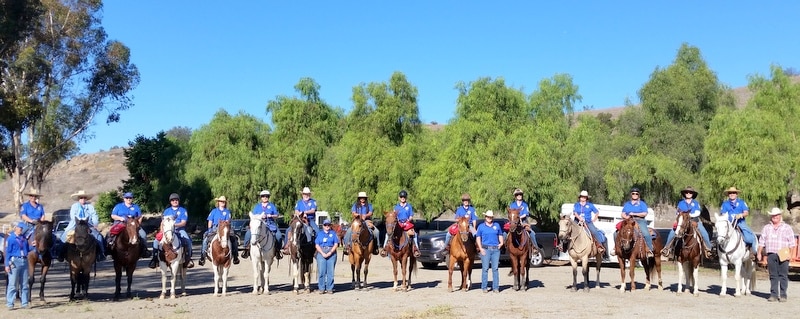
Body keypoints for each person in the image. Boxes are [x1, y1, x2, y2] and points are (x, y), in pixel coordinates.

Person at [661, 186, 713, 259]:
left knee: (704, 233)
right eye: (687, 192)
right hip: (682, 221)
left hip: (694, 221)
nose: (688, 193)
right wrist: (682, 216)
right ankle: (666, 248)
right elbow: (678, 212)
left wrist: (687, 215)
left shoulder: (695, 203)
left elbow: (697, 213)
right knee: (673, 232)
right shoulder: (681, 203)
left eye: (690, 192)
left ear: (693, 194)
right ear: (684, 194)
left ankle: (708, 249)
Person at [757, 207, 796, 302]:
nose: (775, 217)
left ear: (780, 216)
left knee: (783, 275)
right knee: (773, 275)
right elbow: (761, 241)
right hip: (771, 254)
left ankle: (783, 295)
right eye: (773, 215)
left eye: (777, 215)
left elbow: (792, 243)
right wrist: (759, 253)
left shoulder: (787, 228)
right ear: (771, 216)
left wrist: (790, 254)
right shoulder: (766, 228)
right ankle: (773, 294)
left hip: (783, 254)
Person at [58, 190, 106, 262]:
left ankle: (101, 254)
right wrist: (80, 220)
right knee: (63, 236)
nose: (83, 199)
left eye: (84, 198)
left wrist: (95, 224)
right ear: (78, 199)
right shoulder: (74, 206)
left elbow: (94, 215)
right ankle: (60, 254)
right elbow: (73, 216)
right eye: (81, 198)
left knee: (98, 236)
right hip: (75, 224)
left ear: (86, 199)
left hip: (88, 225)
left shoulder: (90, 207)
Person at [150, 193, 194, 269]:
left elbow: (183, 223)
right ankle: (154, 259)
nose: (175, 201)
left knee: (188, 241)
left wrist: (173, 225)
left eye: (176, 200)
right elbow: (162, 222)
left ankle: (188, 259)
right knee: (156, 242)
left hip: (179, 230)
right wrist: (161, 231)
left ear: (178, 201)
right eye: (173, 200)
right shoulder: (166, 211)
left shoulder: (183, 210)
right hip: (167, 231)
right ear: (170, 202)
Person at [199, 196, 240, 266]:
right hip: (215, 227)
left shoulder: (227, 212)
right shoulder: (214, 211)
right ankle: (203, 256)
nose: (222, 203)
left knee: (234, 238)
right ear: (218, 202)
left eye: (223, 202)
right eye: (221, 201)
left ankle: (235, 256)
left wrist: (224, 226)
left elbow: (227, 221)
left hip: (225, 228)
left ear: (225, 203)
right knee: (205, 238)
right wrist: (209, 229)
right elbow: (210, 221)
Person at [108, 192, 150, 259]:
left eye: (130, 198)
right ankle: (109, 251)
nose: (128, 199)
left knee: (143, 234)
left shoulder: (136, 207)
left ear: (132, 199)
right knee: (110, 234)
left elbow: (140, 217)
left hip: (133, 225)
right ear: (124, 199)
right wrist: (120, 218)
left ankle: (144, 250)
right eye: (127, 198)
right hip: (120, 223)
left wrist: (138, 224)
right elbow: (113, 215)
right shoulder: (118, 206)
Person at [243, 190, 283, 260]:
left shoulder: (272, 206)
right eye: (263, 196)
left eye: (266, 196)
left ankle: (277, 251)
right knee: (248, 234)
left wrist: (270, 215)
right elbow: (253, 216)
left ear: (268, 197)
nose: (265, 197)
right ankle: (246, 249)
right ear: (261, 198)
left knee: (279, 236)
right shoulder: (257, 207)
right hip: (259, 225)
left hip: (270, 224)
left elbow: (276, 215)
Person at [381, 190, 420, 257]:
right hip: (399, 224)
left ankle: (416, 249)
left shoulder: (409, 206)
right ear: (399, 198)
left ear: (406, 197)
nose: (403, 198)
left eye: (404, 196)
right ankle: (385, 249)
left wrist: (408, 220)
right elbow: (394, 216)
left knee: (414, 234)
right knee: (388, 234)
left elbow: (411, 215)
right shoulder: (396, 207)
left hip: (407, 223)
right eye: (401, 196)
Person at [720, 187, 757, 255]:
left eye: (734, 192)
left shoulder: (742, 202)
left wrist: (741, 215)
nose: (732, 194)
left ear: (736, 194)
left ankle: (753, 252)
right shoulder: (725, 204)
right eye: (730, 193)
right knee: (720, 237)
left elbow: (746, 212)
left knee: (749, 238)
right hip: (729, 224)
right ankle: (719, 252)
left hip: (740, 223)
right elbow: (723, 214)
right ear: (728, 194)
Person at [572, 190, 607, 258]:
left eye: (585, 197)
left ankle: (600, 246)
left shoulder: (590, 205)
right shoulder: (576, 205)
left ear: (587, 198)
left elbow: (597, 212)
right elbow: (575, 213)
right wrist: (579, 218)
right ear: (580, 197)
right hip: (577, 221)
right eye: (582, 197)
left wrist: (594, 219)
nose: (583, 198)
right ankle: (564, 246)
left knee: (595, 232)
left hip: (588, 222)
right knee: (569, 230)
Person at [621, 187, 654, 257]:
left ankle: (649, 250)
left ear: (638, 195)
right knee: (617, 232)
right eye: (633, 193)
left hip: (640, 220)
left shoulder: (642, 204)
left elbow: (645, 213)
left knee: (646, 234)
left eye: (636, 193)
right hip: (628, 220)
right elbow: (623, 213)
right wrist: (626, 217)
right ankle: (616, 248)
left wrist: (634, 214)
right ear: (631, 194)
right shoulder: (627, 204)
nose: (635, 195)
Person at [343, 191, 379, 255]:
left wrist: (366, 215)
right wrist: (358, 215)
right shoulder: (355, 205)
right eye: (361, 197)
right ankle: (347, 246)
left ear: (365, 198)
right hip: (357, 221)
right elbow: (353, 213)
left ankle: (375, 247)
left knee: (376, 232)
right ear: (359, 198)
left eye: (363, 197)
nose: (362, 199)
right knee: (348, 231)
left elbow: (370, 213)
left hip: (367, 221)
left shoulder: (369, 205)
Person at [476, 210, 503, 293]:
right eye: (488, 217)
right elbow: (478, 238)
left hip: (495, 249)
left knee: (495, 269)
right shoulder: (481, 226)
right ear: (485, 217)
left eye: (490, 217)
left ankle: (496, 287)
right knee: (485, 269)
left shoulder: (497, 225)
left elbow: (500, 235)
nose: (489, 218)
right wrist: (480, 248)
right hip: (485, 249)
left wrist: (501, 243)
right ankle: (484, 287)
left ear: (492, 217)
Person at [5, 222, 31, 309]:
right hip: (14, 261)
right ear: (15, 228)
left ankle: (25, 303)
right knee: (13, 284)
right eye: (20, 228)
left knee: (24, 284)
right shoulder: (11, 239)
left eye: (22, 228)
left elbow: (27, 249)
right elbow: (8, 252)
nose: (21, 230)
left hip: (24, 260)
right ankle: (10, 303)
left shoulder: (24, 238)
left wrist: (33, 246)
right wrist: (6, 265)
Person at [508, 188, 540, 255]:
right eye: (517, 195)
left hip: (523, 222)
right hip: (514, 223)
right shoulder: (512, 205)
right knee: (506, 233)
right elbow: (510, 213)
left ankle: (535, 247)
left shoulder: (525, 205)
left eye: (520, 194)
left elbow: (526, 214)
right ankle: (504, 246)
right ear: (515, 196)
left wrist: (519, 217)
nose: (519, 196)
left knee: (532, 233)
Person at [315, 219, 339, 294]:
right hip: (321, 252)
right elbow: (317, 245)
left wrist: (330, 252)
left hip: (331, 252)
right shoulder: (320, 234)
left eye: (328, 225)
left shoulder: (333, 233)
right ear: (323, 226)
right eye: (325, 225)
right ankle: (321, 288)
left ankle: (329, 288)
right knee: (322, 272)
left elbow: (336, 244)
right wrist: (322, 253)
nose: (327, 226)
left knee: (330, 272)